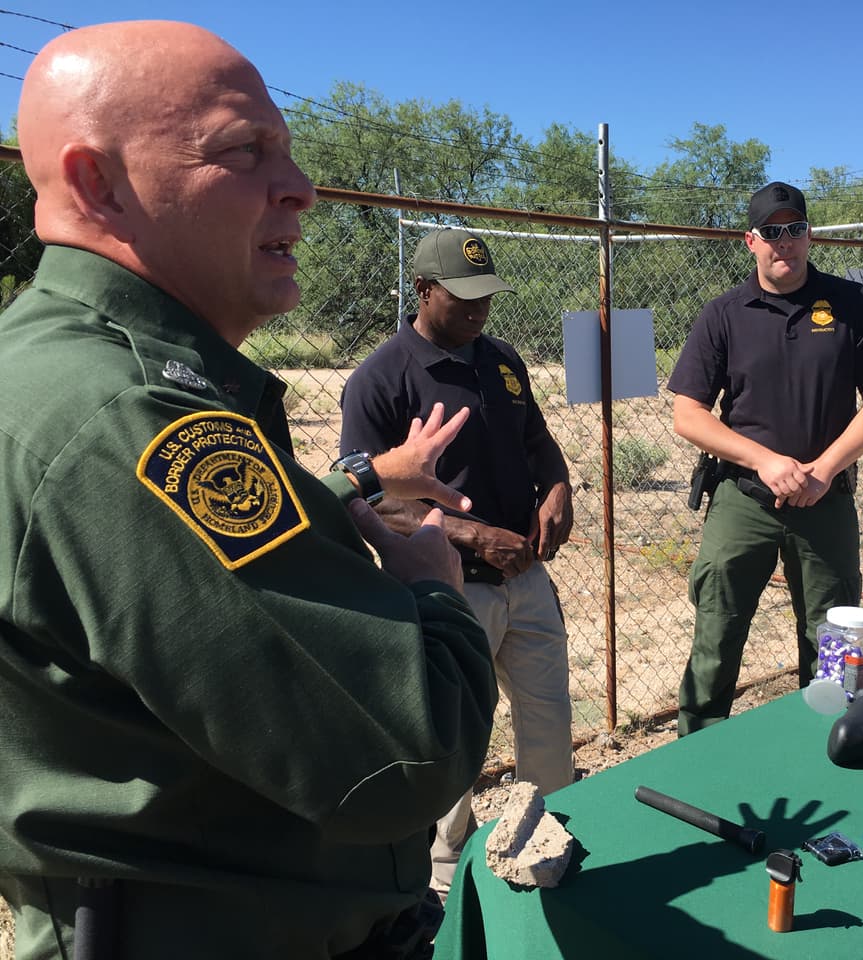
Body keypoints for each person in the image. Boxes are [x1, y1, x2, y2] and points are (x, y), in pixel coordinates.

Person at [0, 21, 499, 960]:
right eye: (243, 150)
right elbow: (408, 753)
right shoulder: (131, 419)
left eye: (288, 148)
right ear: (97, 183)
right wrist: (432, 582)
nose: (302, 187)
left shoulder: (52, 372)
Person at [339, 228, 575, 900]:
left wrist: (557, 491)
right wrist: (474, 537)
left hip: (526, 579)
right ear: (422, 290)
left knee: (547, 719)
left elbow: (540, 442)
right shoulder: (380, 380)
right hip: (447, 590)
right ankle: (444, 880)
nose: (478, 311)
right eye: (463, 297)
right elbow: (369, 501)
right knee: (453, 737)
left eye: (486, 297)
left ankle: (549, 840)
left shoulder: (501, 361)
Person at [667, 181, 863, 736]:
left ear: (809, 235)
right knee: (717, 637)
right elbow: (688, 415)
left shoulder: (851, 305)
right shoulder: (724, 314)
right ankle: (696, 751)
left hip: (825, 499)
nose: (784, 243)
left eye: (794, 230)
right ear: (750, 241)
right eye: (771, 233)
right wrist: (765, 461)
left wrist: (823, 470)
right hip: (744, 499)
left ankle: (833, 745)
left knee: (835, 640)